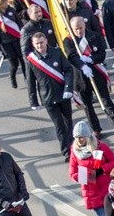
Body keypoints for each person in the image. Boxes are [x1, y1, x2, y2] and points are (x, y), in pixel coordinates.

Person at [26, 32, 80, 162]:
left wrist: (69, 88)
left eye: (41, 42)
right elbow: (30, 82)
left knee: (68, 122)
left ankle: (74, 148)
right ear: (33, 44)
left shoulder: (57, 53)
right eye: (37, 43)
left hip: (63, 94)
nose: (40, 45)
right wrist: (33, 101)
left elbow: (68, 70)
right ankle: (67, 152)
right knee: (59, 125)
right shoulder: (31, 60)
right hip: (48, 98)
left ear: (46, 41)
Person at [63, 16, 114, 136]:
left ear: (84, 26)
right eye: (76, 29)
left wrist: (90, 59)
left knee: (106, 101)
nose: (78, 31)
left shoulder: (94, 36)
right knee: (87, 106)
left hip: (96, 73)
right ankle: (96, 129)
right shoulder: (68, 40)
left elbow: (102, 55)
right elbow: (71, 56)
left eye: (81, 28)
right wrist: (83, 66)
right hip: (80, 77)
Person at [68, 120, 114, 216]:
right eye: (76, 137)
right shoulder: (75, 151)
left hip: (107, 190)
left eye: (81, 137)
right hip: (92, 193)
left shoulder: (100, 147)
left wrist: (102, 169)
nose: (78, 140)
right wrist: (87, 176)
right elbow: (72, 173)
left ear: (88, 136)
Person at [0, 0, 25, 88]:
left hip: (17, 39)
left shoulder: (11, 10)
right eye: (4, 1)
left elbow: (19, 23)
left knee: (23, 60)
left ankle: (27, 79)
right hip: (6, 43)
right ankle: (12, 77)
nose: (7, 3)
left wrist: (23, 34)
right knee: (14, 63)